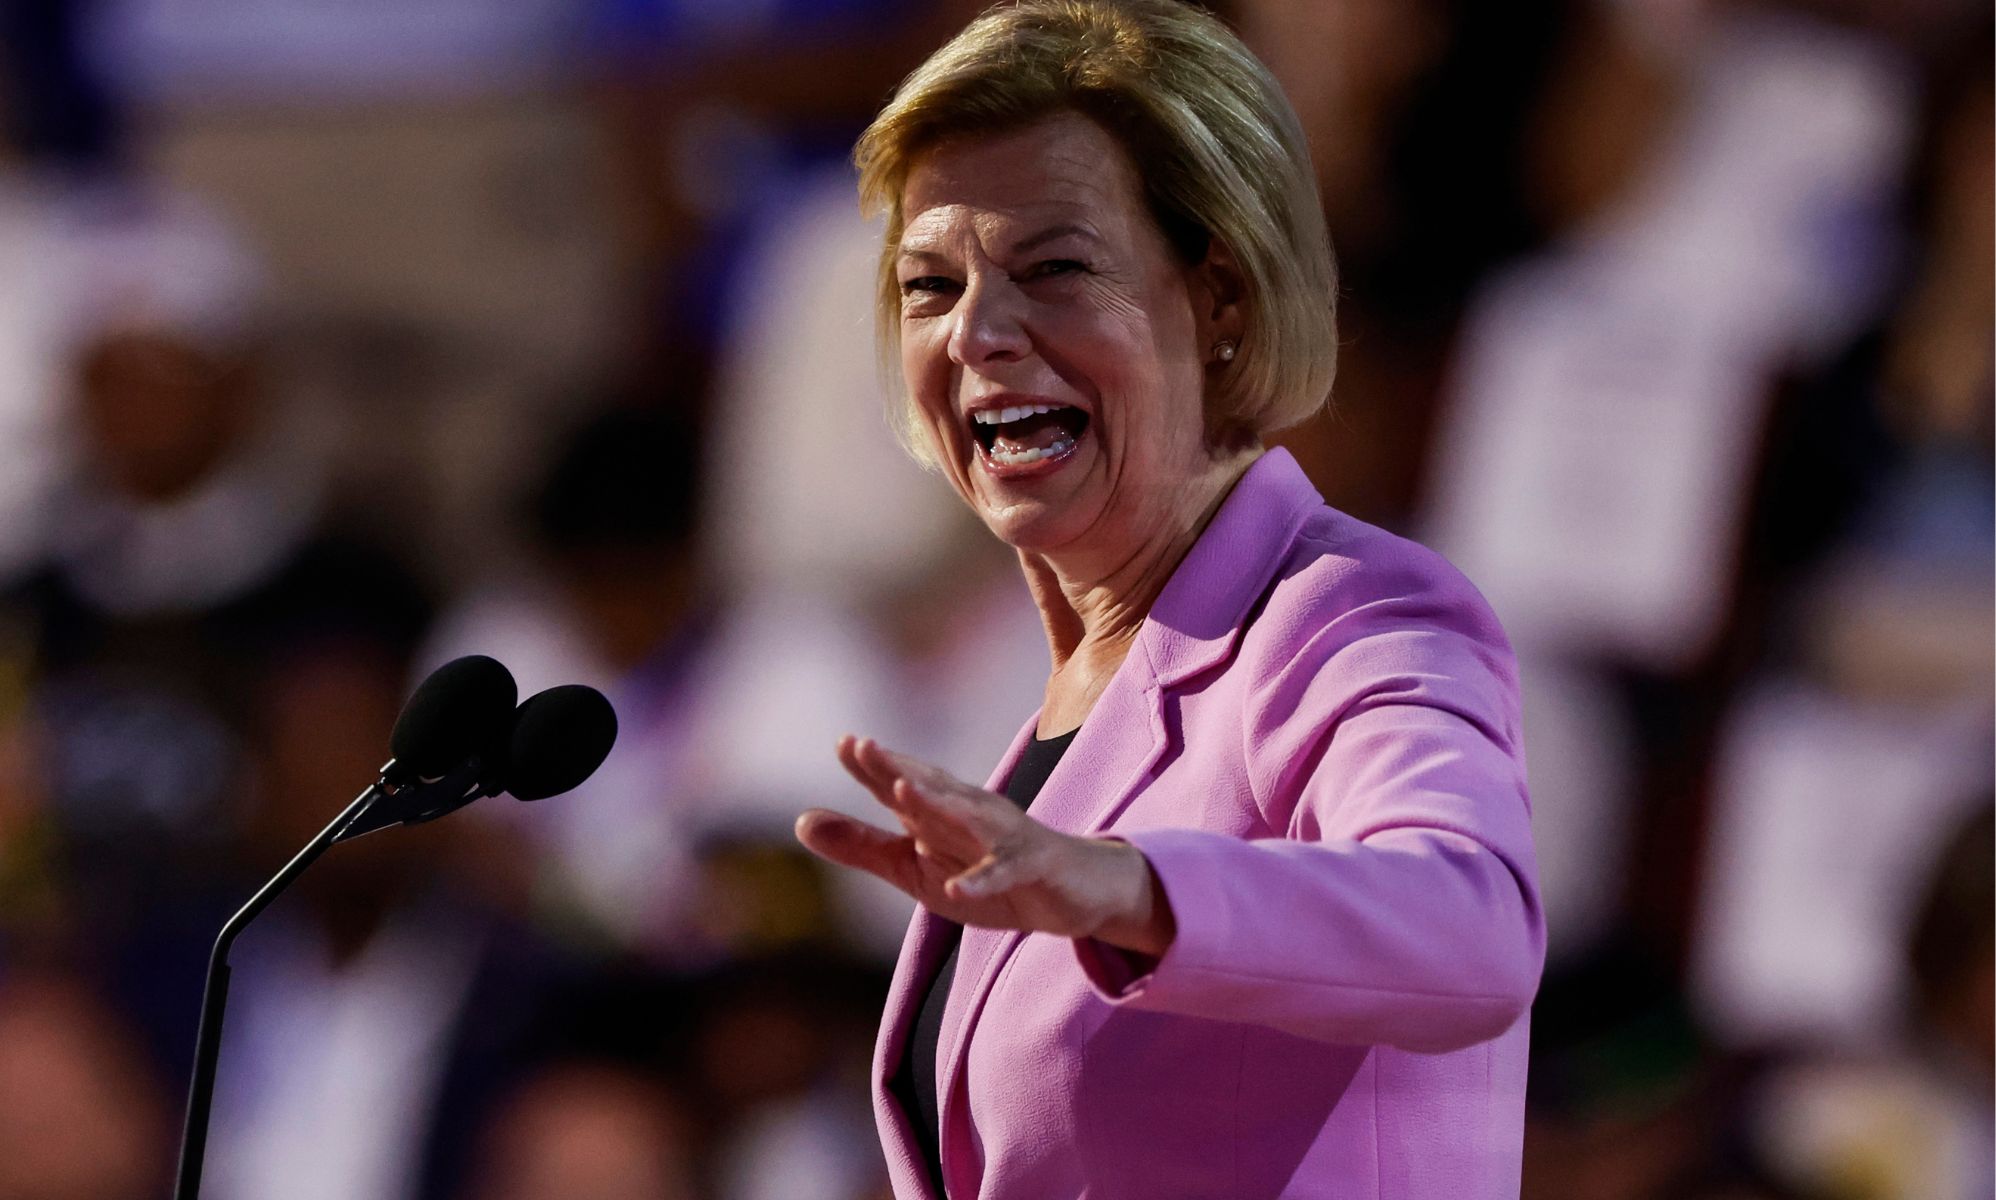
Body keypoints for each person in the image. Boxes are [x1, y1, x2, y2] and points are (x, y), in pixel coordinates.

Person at [791, 2, 1544, 1197]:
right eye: (931, 286)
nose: (978, 332)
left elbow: (1473, 929)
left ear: (1220, 299)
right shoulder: (1065, 705)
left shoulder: (1347, 615)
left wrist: (1128, 886)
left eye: (1054, 269)